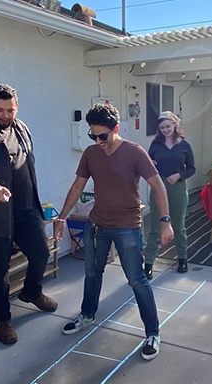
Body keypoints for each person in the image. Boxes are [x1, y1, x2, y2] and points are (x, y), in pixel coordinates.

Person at [54, 103, 173, 360]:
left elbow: (158, 186)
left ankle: (152, 333)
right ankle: (86, 315)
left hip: (127, 227)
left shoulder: (135, 153)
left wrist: (165, 221)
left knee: (137, 280)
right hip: (97, 225)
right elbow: (77, 186)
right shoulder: (91, 154)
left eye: (103, 136)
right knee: (91, 274)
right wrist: (62, 217)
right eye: (93, 135)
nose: (98, 141)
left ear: (116, 129)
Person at [0, 83, 57, 345]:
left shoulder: (21, 128)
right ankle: (2, 320)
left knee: (41, 252)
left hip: (27, 208)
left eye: (10, 110)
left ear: (17, 107)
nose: (4, 115)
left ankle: (32, 292)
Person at [143, 111, 195, 278]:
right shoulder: (155, 145)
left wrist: (179, 175)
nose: (165, 130)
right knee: (155, 227)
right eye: (162, 127)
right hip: (159, 186)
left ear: (175, 125)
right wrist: (151, 163)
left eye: (168, 126)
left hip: (178, 187)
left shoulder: (184, 145)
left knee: (179, 226)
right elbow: (147, 165)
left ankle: (182, 258)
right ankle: (149, 262)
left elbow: (192, 168)